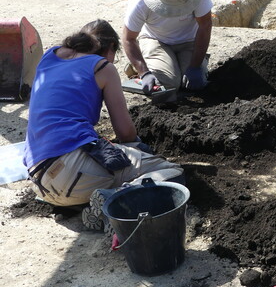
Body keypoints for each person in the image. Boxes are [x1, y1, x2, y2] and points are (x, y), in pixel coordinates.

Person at [23, 20, 184, 231]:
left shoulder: (50, 56)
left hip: (39, 181)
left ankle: (90, 203)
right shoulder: (102, 67)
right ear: (110, 50)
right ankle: (112, 199)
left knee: (101, 160)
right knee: (172, 173)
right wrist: (138, 149)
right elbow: (125, 133)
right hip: (71, 175)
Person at [122, 0, 213, 94]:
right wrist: (144, 72)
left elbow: (205, 24)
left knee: (191, 83)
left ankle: (193, 64)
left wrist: (195, 67)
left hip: (190, 41)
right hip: (155, 39)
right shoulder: (141, 1)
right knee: (168, 85)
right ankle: (136, 66)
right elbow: (128, 38)